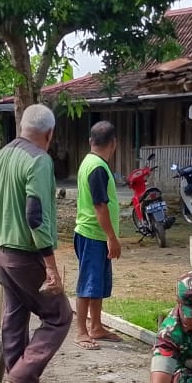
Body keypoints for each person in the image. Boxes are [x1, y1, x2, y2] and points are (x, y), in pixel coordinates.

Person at [0, 103, 72, 383]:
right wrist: (51, 267)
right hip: (25, 257)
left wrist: (3, 214)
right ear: (49, 133)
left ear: (22, 127)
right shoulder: (39, 160)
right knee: (59, 316)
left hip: (2, 255)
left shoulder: (1, 155)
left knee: (15, 316)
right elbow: (35, 217)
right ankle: (21, 376)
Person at [72, 120, 122, 350]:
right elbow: (99, 206)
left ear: (91, 141)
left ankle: (96, 326)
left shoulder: (89, 161)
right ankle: (81, 331)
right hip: (93, 234)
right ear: (113, 143)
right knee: (88, 283)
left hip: (95, 234)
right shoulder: (98, 168)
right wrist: (112, 237)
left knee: (98, 283)